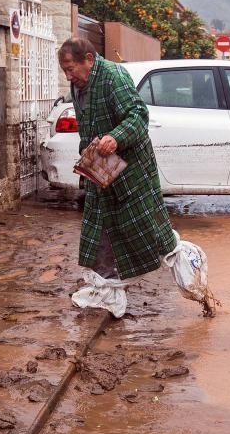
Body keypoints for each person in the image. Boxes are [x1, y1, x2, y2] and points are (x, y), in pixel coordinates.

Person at [57, 36, 177, 284]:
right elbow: (88, 127)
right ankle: (108, 288)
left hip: (131, 173)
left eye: (70, 69)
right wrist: (85, 156)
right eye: (65, 71)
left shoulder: (114, 76)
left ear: (88, 60)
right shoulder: (79, 85)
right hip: (102, 174)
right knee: (100, 231)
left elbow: (138, 114)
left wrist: (116, 137)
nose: (68, 77)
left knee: (148, 231)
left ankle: (184, 265)